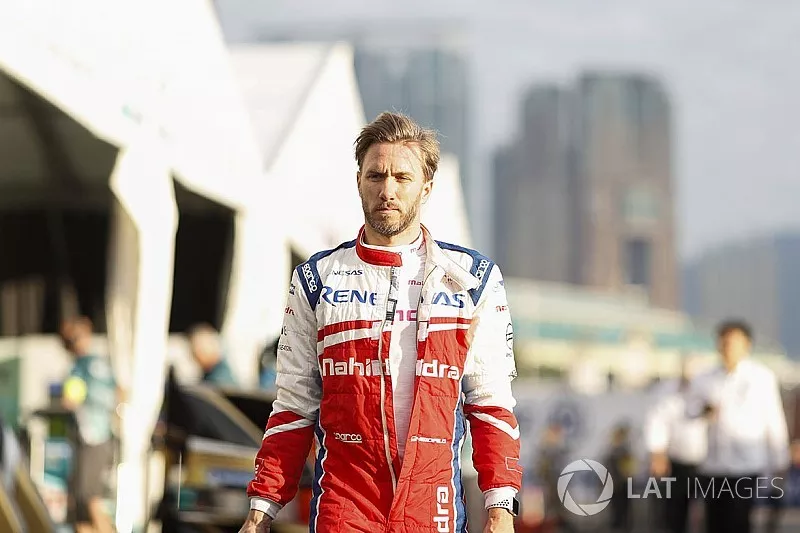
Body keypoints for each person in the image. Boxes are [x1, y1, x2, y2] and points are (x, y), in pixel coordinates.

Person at [239, 112, 522, 533]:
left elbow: (490, 403)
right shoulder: (317, 280)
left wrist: (500, 509)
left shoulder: (473, 280)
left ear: (426, 187)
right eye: (376, 175)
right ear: (358, 181)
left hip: (431, 505)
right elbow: (293, 407)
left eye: (402, 178)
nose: (387, 190)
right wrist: (259, 513)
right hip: (346, 502)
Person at [688, 320, 790, 533]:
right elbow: (689, 412)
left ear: (746, 345)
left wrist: (780, 459)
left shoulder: (761, 378)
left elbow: (773, 419)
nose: (728, 348)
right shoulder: (704, 379)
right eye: (724, 343)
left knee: (739, 520)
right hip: (712, 464)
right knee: (714, 521)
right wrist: (704, 412)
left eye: (733, 343)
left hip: (746, 464)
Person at [59, 316, 118, 533]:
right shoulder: (99, 364)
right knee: (80, 502)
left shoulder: (82, 366)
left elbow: (70, 400)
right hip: (97, 438)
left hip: (92, 438)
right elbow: (119, 393)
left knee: (88, 497)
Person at [644, 357, 707, 533]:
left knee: (710, 512)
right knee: (673, 511)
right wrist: (657, 454)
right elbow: (656, 422)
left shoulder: (709, 391)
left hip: (708, 463)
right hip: (677, 461)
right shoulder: (665, 391)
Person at [605, 423, 636, 533]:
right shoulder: (611, 451)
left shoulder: (625, 451)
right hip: (614, 485)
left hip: (624, 485)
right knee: (616, 512)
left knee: (624, 512)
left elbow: (629, 470)